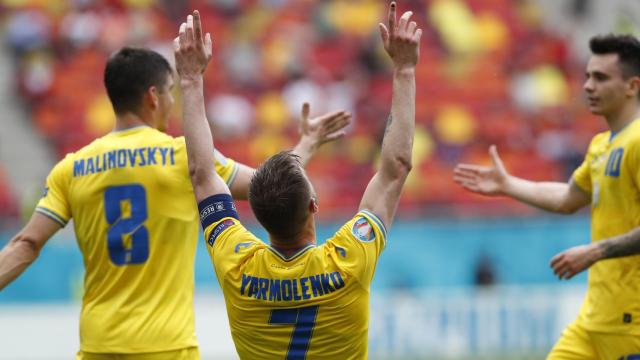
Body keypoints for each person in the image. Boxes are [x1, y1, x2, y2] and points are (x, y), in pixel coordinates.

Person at [0, 46, 350, 358]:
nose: (171, 102)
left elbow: (26, 244)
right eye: (170, 92)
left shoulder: (72, 167)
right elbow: (268, 186)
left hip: (98, 347)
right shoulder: (184, 157)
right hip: (168, 345)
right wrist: (306, 145)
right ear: (154, 96)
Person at [174, 3, 420, 359]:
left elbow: (201, 174)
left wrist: (190, 80)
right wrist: (405, 68)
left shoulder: (236, 264)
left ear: (256, 211)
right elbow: (396, 168)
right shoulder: (347, 263)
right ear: (313, 206)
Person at [453, 34, 640, 359]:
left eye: (601, 77)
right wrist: (508, 185)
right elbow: (568, 197)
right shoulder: (601, 145)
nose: (587, 86)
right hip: (593, 322)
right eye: (586, 76)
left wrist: (596, 250)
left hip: (632, 326)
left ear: (632, 86)